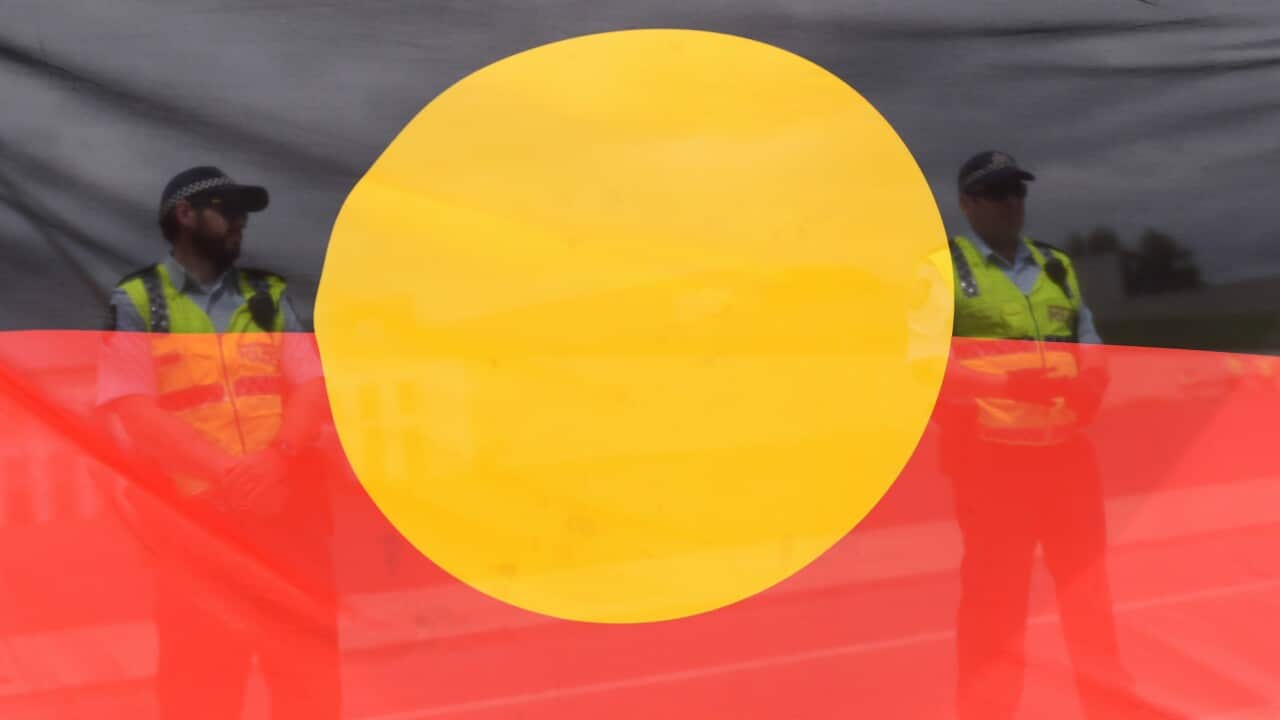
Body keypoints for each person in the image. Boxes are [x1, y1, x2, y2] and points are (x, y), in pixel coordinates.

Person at [96, 166, 340, 719]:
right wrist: (229, 472)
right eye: (227, 210)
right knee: (201, 694)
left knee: (311, 688)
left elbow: (312, 384)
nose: (240, 222)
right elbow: (133, 408)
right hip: (199, 533)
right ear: (185, 215)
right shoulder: (138, 302)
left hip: (288, 519)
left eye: (243, 213)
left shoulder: (268, 295)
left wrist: (275, 460)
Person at [938, 151, 1174, 719]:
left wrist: (1091, 380)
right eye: (996, 193)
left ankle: (1109, 708)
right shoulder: (942, 271)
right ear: (967, 203)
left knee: (1088, 596)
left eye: (1017, 192)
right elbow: (924, 368)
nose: (1011, 204)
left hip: (1067, 459)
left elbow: (1090, 345)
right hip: (991, 464)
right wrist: (1012, 384)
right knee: (997, 603)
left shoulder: (1056, 267)